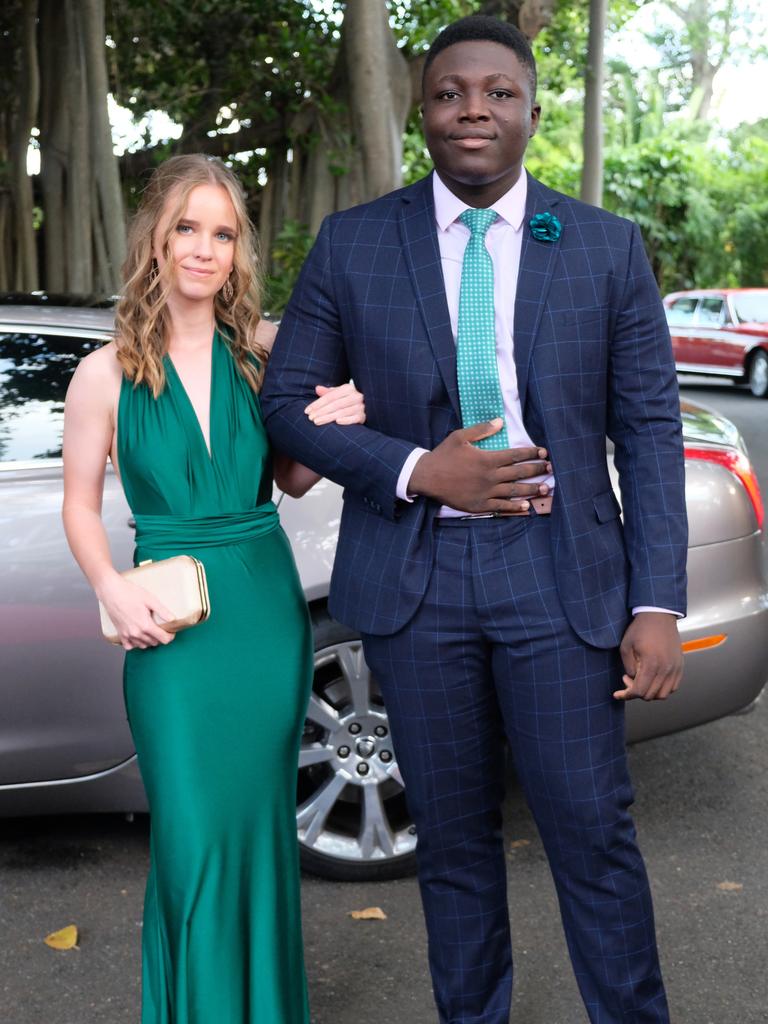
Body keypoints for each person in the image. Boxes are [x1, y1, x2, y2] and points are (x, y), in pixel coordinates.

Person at [261, 14, 687, 1024]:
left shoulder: (604, 248)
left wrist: (658, 601)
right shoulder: (355, 242)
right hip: (420, 582)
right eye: (451, 92)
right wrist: (417, 468)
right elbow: (283, 404)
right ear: (422, 109)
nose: (473, 111)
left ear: (533, 111)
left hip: (561, 576)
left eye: (498, 93)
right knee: (452, 844)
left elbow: (651, 432)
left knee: (591, 832)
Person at [61, 154, 365, 1024]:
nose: (204, 248)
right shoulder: (105, 372)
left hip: (263, 614)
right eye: (186, 228)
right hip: (170, 628)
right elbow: (80, 505)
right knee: (192, 839)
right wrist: (110, 589)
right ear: (155, 240)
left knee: (260, 837)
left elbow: (293, 479)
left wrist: (330, 427)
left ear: (238, 251)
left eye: (222, 233)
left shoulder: (263, 353)